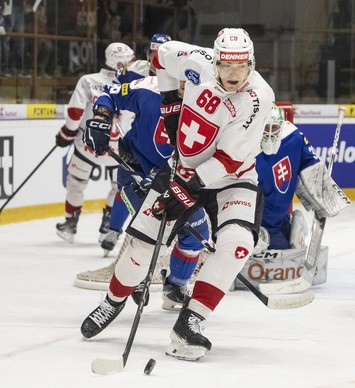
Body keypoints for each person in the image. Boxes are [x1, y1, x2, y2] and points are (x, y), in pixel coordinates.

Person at [80, 28, 275, 362]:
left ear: (251, 63)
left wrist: (184, 190)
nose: (233, 74)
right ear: (215, 60)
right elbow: (160, 58)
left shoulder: (258, 98)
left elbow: (227, 160)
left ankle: (190, 322)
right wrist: (170, 101)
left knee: (238, 243)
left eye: (241, 66)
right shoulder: (195, 60)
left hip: (232, 178)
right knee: (142, 247)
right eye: (226, 65)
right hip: (182, 169)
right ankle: (112, 301)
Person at [79, 75, 209, 310]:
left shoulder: (208, 102)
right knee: (147, 235)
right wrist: (101, 118)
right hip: (135, 171)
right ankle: (129, 284)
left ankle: (175, 287)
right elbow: (109, 93)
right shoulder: (148, 87)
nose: (183, 86)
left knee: (196, 234)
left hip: (180, 180)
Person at [54, 42, 135, 244]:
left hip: (88, 144)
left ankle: (70, 224)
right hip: (118, 148)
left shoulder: (88, 81)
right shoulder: (134, 84)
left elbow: (75, 112)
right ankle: (108, 224)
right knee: (118, 187)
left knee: (77, 182)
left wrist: (66, 133)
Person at [100, 33, 172, 254]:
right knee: (125, 191)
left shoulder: (185, 85)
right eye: (152, 52)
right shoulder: (138, 74)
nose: (155, 58)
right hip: (138, 145)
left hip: (169, 157)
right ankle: (114, 229)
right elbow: (111, 89)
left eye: (161, 53)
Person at [255, 104, 347, 251]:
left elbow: (310, 165)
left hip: (280, 220)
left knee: (288, 257)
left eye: (274, 128)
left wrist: (324, 194)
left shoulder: (292, 136)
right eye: (266, 128)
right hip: (255, 224)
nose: (270, 134)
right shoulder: (245, 146)